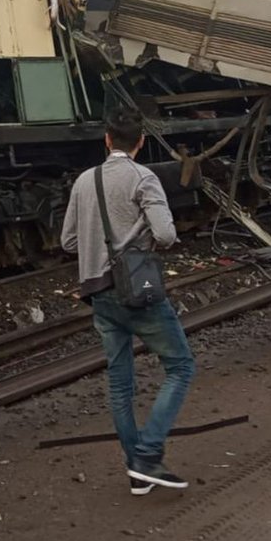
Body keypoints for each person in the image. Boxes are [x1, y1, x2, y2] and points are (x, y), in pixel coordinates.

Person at [61, 106, 195, 495]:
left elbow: (68, 242)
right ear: (140, 142)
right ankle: (148, 455)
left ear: (106, 140)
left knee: (121, 386)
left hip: (98, 293)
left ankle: (137, 472)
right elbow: (166, 235)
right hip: (137, 291)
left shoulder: (85, 181)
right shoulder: (144, 177)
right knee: (181, 367)